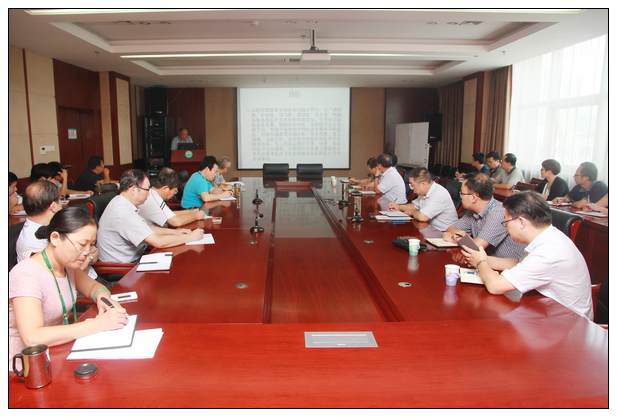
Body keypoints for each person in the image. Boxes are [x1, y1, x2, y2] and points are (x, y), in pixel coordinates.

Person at [9, 206, 128, 368]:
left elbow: (93, 287)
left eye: (91, 245)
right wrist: (98, 324)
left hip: (58, 351)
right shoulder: (26, 275)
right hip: (24, 367)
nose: (87, 253)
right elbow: (32, 337)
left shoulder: (66, 264)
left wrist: (103, 298)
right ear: (55, 238)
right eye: (82, 244)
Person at [460, 191, 593, 320]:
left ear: (522, 222)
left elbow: (495, 286)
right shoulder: (549, 236)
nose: (506, 228)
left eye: (506, 222)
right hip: (547, 309)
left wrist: (481, 262)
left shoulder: (547, 252)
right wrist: (482, 258)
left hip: (569, 323)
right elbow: (519, 263)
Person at [97, 169, 204, 264]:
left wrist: (174, 232)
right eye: (146, 190)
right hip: (124, 268)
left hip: (135, 257)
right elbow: (158, 242)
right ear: (133, 189)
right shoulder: (124, 213)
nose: (148, 194)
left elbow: (145, 228)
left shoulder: (119, 201)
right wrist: (190, 237)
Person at [443, 172, 525, 259]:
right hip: (485, 260)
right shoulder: (473, 211)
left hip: (506, 265)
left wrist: (453, 238)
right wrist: (459, 237)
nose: (461, 197)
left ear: (474, 198)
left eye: (462, 193)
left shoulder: (498, 213)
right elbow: (450, 229)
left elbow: (476, 247)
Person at [388, 167, 458, 232]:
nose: (412, 188)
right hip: (429, 228)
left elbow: (422, 217)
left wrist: (412, 212)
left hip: (443, 232)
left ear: (423, 184)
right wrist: (399, 207)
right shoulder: (425, 191)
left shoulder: (438, 194)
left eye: (413, 185)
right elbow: (414, 206)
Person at [138, 167, 206, 227]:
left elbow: (169, 214)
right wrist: (196, 216)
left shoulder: (153, 194)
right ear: (165, 189)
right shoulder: (154, 199)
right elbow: (176, 221)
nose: (174, 194)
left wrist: (190, 212)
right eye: (175, 191)